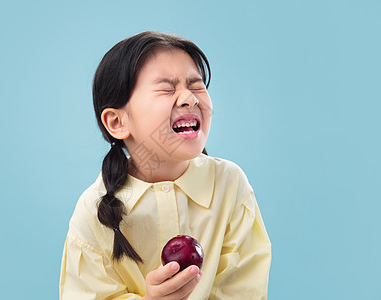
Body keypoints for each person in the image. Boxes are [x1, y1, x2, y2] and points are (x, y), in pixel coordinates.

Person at [59, 31, 271, 300]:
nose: (190, 98)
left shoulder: (230, 185)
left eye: (196, 86)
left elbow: (244, 290)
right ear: (117, 122)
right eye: (167, 88)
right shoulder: (93, 211)